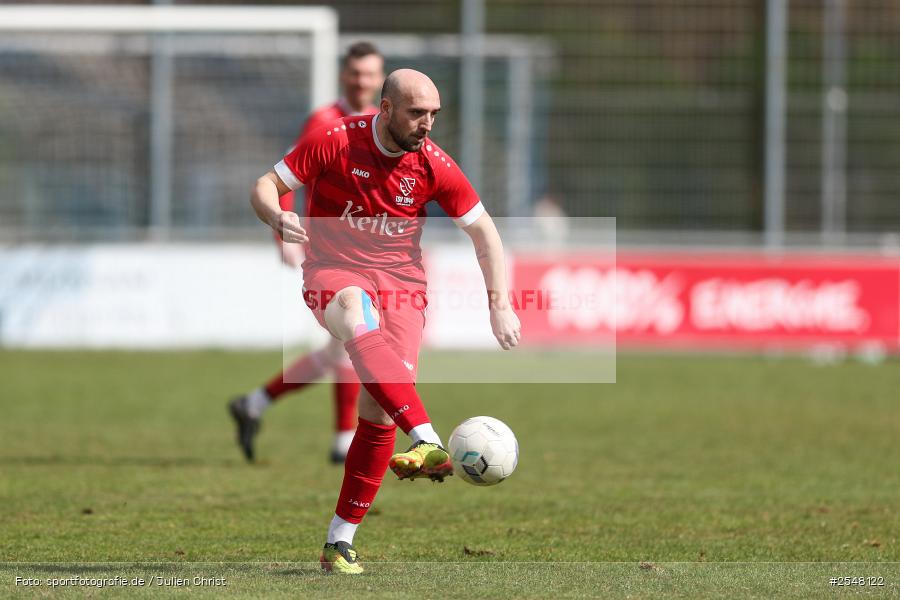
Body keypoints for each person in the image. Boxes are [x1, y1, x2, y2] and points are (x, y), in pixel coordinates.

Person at [249, 69, 521, 574]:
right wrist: (276, 216)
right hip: (333, 270)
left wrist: (499, 303)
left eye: (435, 114)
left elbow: (484, 232)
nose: (427, 124)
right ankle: (428, 439)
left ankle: (339, 542)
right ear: (387, 108)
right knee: (355, 312)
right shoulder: (334, 140)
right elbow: (266, 185)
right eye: (417, 113)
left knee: (376, 410)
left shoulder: (433, 164)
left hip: (403, 287)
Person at [229, 42, 384, 464]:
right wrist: (283, 236)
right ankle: (341, 440)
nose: (362, 81)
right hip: (328, 253)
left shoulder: (380, 123)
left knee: (342, 347)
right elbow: (286, 180)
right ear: (343, 76)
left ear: (380, 79)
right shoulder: (324, 120)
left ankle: (255, 404)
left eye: (370, 74)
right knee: (354, 339)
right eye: (356, 73)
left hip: (366, 253)